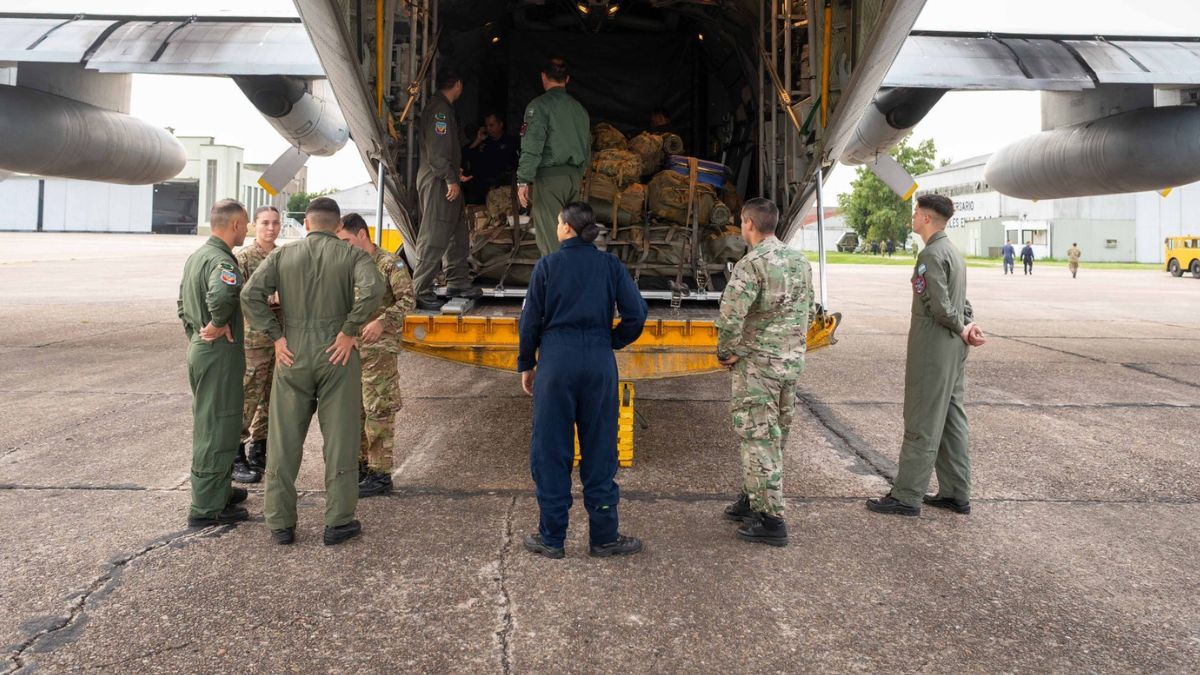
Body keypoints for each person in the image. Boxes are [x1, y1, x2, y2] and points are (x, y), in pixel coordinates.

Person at [241, 197, 384, 546]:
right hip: (338, 353)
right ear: (338, 226)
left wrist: (276, 337)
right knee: (340, 439)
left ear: (306, 223)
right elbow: (374, 289)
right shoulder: (352, 255)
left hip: (292, 353)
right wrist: (350, 329)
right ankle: (338, 522)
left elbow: (250, 294)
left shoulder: (283, 255)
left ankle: (280, 523)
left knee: (283, 440)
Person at [517, 202, 647, 559]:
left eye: (558, 222)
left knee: (551, 450)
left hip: (556, 363)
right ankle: (604, 537)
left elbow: (529, 322)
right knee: (601, 448)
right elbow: (636, 314)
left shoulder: (547, 265)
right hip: (599, 362)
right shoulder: (610, 265)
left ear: (566, 228)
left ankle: (552, 537)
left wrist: (527, 364)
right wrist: (612, 340)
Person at [868, 194, 986, 517]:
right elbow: (961, 303)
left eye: (916, 212)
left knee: (922, 417)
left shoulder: (930, 255)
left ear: (927, 218)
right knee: (951, 420)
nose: (913, 217)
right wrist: (967, 326)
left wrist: (961, 326)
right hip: (953, 349)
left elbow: (940, 306)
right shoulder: (953, 253)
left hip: (933, 349)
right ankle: (955, 493)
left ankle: (906, 496)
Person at [716, 198, 814, 547]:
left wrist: (726, 352)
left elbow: (731, 315)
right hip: (789, 363)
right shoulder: (799, 261)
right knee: (775, 435)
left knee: (758, 437)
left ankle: (771, 520)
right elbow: (807, 310)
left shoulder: (751, 264)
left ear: (748, 224)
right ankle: (753, 497)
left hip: (759, 366)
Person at [177, 199, 251, 527]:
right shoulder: (222, 261)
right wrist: (218, 323)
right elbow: (221, 296)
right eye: (245, 224)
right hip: (218, 352)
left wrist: (197, 333)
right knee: (217, 426)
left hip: (202, 348)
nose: (246, 230)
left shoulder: (198, 257)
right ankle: (207, 507)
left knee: (217, 422)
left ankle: (218, 488)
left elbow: (182, 304)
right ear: (234, 225)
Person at [336, 213, 416, 498]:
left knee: (378, 408)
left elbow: (408, 300)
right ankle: (361, 467)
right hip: (353, 347)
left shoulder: (389, 263)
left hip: (379, 348)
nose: (343, 246)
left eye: (346, 240)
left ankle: (380, 473)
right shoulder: (347, 264)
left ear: (362, 234)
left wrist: (383, 321)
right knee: (356, 409)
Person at [413, 66, 479, 311]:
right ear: (457, 84)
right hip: (438, 180)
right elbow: (438, 151)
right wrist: (449, 178)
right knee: (435, 232)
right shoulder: (439, 111)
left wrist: (455, 174)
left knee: (456, 231)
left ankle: (457, 281)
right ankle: (420, 289)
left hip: (446, 177)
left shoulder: (444, 109)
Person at [516, 58, 591, 257]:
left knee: (551, 239)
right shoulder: (579, 109)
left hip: (549, 179)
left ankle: (557, 275)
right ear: (567, 79)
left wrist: (523, 179)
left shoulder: (539, 106)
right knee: (572, 237)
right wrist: (578, 176)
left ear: (543, 77)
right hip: (573, 179)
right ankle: (571, 273)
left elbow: (532, 146)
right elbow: (587, 149)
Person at [232, 205, 282, 484]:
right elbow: (237, 296)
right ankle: (235, 452)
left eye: (275, 223)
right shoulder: (244, 258)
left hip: (279, 338)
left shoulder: (283, 256)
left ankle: (260, 449)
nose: (271, 228)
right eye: (265, 223)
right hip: (253, 339)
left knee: (271, 397)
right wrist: (267, 298)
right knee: (248, 395)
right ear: (254, 225)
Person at [463, 112, 519, 205]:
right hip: (480, 192)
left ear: (500, 124)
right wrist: (477, 140)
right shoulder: (483, 142)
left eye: (491, 125)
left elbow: (517, 165)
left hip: (501, 192)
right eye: (486, 126)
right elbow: (464, 156)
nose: (488, 129)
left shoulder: (510, 142)